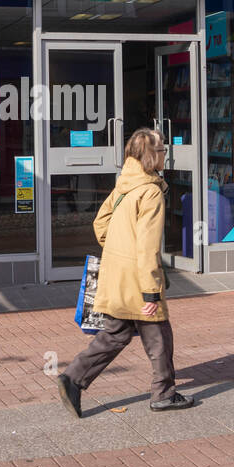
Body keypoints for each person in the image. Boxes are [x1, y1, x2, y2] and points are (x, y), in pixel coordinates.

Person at [56, 127, 192, 418]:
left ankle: (73, 378)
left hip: (114, 273)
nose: (166, 155)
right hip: (137, 279)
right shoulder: (150, 192)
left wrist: (118, 248)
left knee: (115, 334)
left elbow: (100, 224)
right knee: (159, 335)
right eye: (163, 150)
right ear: (152, 156)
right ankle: (164, 394)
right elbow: (146, 248)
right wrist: (150, 291)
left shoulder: (124, 184)